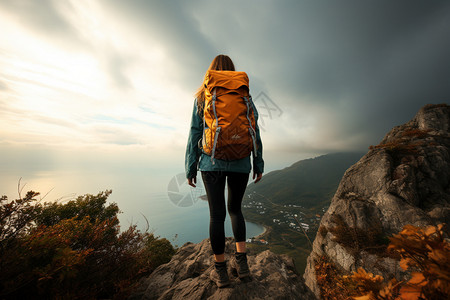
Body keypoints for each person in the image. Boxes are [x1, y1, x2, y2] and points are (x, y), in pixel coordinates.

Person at [185, 54, 264, 288]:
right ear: (232, 71)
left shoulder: (204, 96)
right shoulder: (244, 95)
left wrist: (190, 166)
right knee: (236, 211)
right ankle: (242, 264)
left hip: (212, 164)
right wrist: (258, 163)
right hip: (241, 162)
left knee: (216, 215)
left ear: (211, 72)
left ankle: (220, 271)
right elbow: (254, 130)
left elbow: (194, 133)